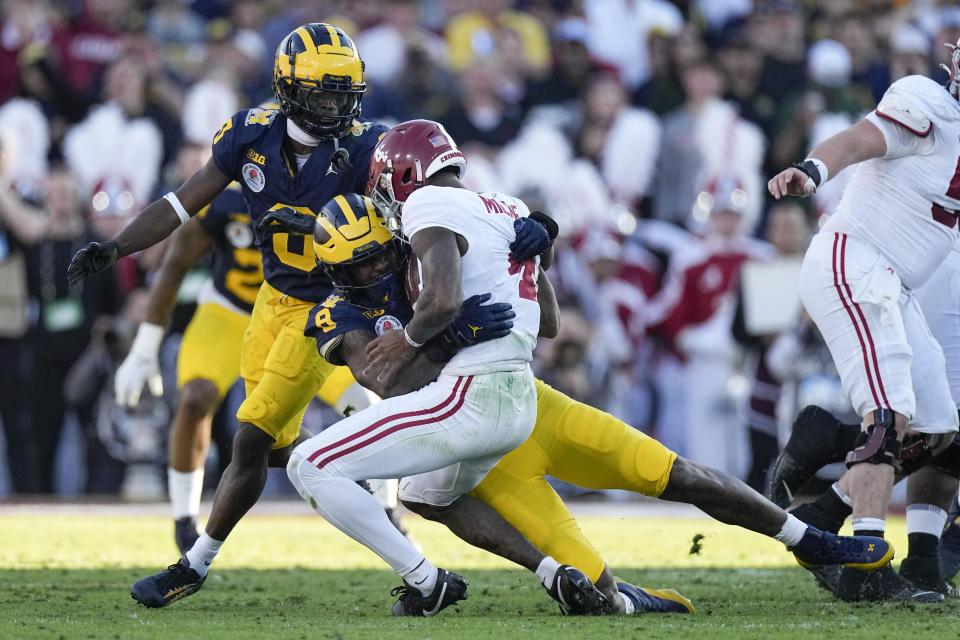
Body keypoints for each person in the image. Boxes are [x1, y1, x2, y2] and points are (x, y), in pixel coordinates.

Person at [293, 124, 891, 615]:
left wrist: (522, 266)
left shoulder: (429, 217)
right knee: (439, 502)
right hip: (492, 407)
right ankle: (606, 593)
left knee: (673, 472)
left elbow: (470, 307)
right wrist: (483, 293)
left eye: (378, 258)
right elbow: (402, 374)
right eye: (355, 267)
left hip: (489, 401)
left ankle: (427, 581)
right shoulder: (367, 292)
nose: (370, 274)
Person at [64, 23, 386, 606]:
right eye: (322, 94)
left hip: (332, 308)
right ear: (289, 91)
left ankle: (195, 561)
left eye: (344, 93)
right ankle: (416, 563)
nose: (336, 106)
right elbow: (177, 206)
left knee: (258, 439)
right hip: (261, 305)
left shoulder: (365, 147)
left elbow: (402, 230)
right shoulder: (248, 141)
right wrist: (117, 249)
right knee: (286, 451)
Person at [767, 44, 960, 601]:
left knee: (938, 428)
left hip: (893, 282)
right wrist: (813, 168)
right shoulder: (927, 103)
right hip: (855, 261)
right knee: (888, 413)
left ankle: (824, 444)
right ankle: (867, 565)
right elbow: (857, 138)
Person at [113, 177, 374, 552]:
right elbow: (175, 265)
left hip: (302, 312)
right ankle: (185, 519)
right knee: (195, 397)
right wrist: (144, 347)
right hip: (230, 311)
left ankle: (387, 512)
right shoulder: (225, 198)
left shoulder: (324, 184)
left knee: (362, 404)